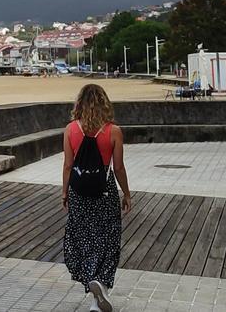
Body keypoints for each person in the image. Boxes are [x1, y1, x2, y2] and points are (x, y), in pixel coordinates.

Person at [62, 83, 132, 312]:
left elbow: (68, 166)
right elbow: (118, 167)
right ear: (104, 103)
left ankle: (95, 292)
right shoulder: (114, 131)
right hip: (104, 190)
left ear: (79, 103)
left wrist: (65, 192)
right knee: (108, 238)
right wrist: (126, 193)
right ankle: (99, 287)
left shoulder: (70, 130)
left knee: (83, 238)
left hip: (79, 191)